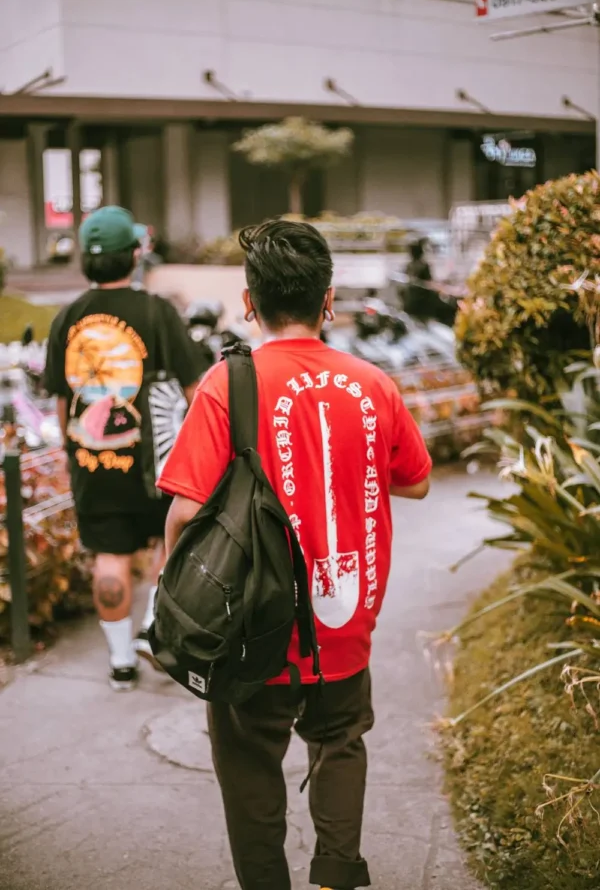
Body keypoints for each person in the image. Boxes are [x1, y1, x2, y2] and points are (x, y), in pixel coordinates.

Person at [157, 219, 432, 890]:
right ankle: (337, 875)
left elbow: (186, 510)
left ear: (248, 304)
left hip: (254, 629)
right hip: (346, 624)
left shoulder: (227, 386)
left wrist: (171, 594)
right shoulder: (374, 385)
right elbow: (417, 480)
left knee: (250, 766)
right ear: (329, 301)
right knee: (340, 744)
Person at [44, 206, 199, 691]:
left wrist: (76, 453)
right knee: (168, 542)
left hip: (94, 460)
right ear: (134, 255)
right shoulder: (158, 312)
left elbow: (60, 402)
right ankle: (152, 630)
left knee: (109, 556)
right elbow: (195, 391)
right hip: (158, 458)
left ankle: (119, 662)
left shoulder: (66, 317)